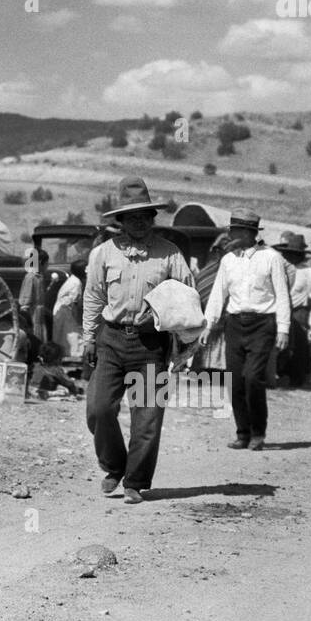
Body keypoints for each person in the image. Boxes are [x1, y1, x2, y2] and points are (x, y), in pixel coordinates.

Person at [81, 177, 193, 504]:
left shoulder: (169, 254)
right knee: (99, 408)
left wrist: (181, 339)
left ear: (152, 218)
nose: (140, 222)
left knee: (146, 418)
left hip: (150, 345)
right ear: (121, 221)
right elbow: (93, 296)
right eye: (132, 217)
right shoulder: (103, 254)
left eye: (145, 216)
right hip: (111, 340)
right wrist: (88, 337)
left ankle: (135, 481)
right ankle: (114, 465)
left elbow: (188, 298)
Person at [200, 208, 291, 450]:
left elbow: (282, 295)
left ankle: (258, 433)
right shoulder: (228, 260)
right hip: (234, 324)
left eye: (236, 231)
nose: (231, 236)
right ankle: (243, 433)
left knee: (253, 378)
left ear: (249, 233)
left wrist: (283, 329)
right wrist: (208, 325)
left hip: (263, 324)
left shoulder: (271, 258)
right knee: (234, 381)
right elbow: (218, 294)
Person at [272, 232, 311, 387]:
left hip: (298, 312)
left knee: (299, 345)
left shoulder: (309, 271)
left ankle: (296, 377)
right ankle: (292, 375)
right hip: (288, 311)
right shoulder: (287, 270)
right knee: (292, 345)